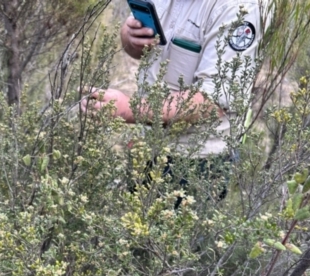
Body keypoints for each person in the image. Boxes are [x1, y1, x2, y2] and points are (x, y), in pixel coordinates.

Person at [81, 0, 268, 159]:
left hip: (198, 160)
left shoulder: (239, 9)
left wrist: (130, 109)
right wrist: (130, 37)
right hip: (148, 142)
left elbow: (211, 102)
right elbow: (139, 47)